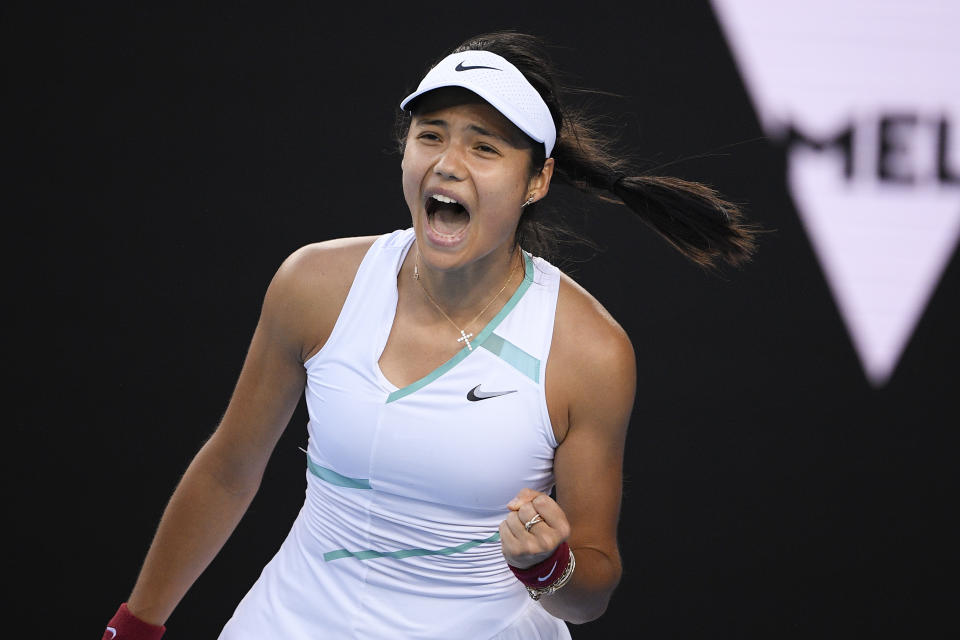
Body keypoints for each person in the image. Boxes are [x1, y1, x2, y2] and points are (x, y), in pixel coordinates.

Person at [102, 31, 755, 640]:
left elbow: (590, 591)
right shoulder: (314, 285)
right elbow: (228, 469)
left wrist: (548, 568)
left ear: (538, 179)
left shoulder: (588, 353)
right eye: (431, 136)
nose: (447, 164)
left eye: (484, 146)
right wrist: (136, 627)